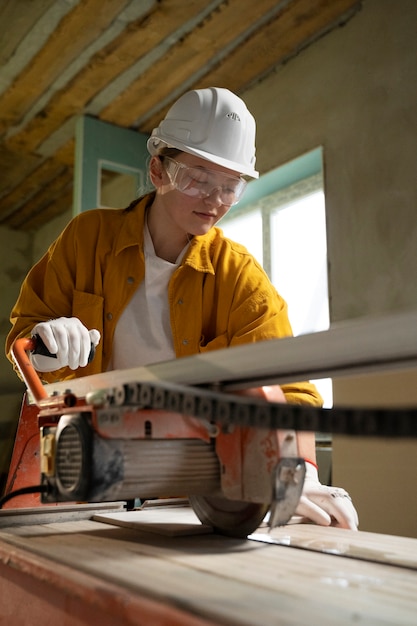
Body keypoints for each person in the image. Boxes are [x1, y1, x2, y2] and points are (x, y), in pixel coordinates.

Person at [6, 87, 358, 530]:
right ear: (158, 169)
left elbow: (289, 392)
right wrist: (44, 349)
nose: (214, 200)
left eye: (230, 187)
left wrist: (296, 471)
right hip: (78, 473)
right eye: (197, 179)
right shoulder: (86, 240)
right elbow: (25, 338)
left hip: (183, 488)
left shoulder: (240, 278)